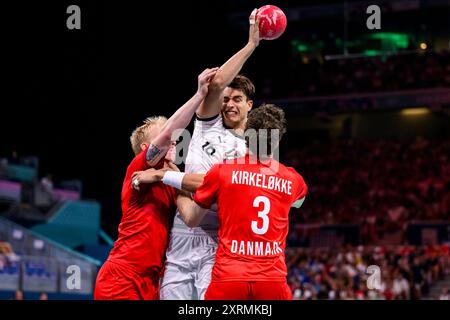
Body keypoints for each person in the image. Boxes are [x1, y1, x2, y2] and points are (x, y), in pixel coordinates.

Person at [132, 9, 262, 300]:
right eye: (226, 99)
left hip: (217, 240)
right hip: (181, 239)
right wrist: (251, 44)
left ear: (249, 105)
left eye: (237, 100)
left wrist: (170, 177)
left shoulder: (251, 151)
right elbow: (214, 84)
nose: (229, 104)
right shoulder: (206, 125)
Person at [94, 67, 218, 300]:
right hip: (122, 276)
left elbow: (191, 216)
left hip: (152, 282)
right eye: (164, 137)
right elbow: (172, 131)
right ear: (146, 149)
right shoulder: (138, 169)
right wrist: (200, 95)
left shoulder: (171, 180)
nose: (173, 141)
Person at [175, 104, 308, 299]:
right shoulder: (293, 179)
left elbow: (191, 219)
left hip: (229, 279)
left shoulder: (222, 172)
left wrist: (179, 190)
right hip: (272, 282)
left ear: (246, 135)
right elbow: (299, 202)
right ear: (278, 140)